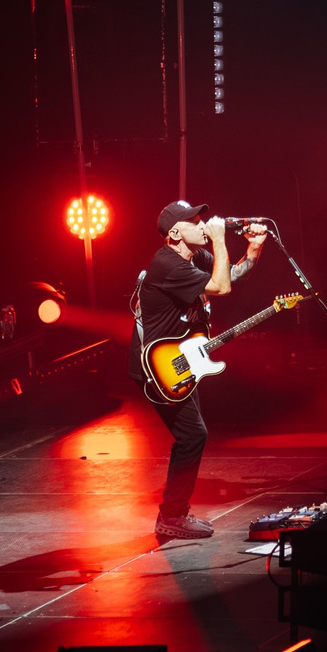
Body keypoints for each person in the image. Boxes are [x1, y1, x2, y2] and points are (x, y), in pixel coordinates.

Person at [129, 201, 266, 539]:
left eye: (202, 219)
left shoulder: (194, 256)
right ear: (175, 233)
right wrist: (219, 239)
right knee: (193, 435)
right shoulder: (167, 264)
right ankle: (171, 517)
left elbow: (229, 275)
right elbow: (220, 288)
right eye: (194, 221)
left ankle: (174, 514)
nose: (203, 224)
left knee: (191, 436)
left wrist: (253, 249)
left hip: (177, 356)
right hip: (155, 365)